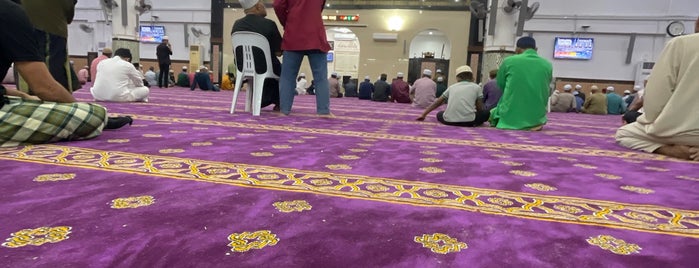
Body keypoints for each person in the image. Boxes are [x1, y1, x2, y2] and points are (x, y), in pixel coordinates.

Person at [0, 0, 129, 147]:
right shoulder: (9, 12)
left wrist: (23, 95)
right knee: (93, 115)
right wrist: (78, 108)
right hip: (51, 36)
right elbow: (45, 87)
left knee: (32, 99)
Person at [616, 32, 699, 161]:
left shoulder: (680, 43)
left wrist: (654, 123)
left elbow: (655, 101)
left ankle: (675, 151)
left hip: (682, 133)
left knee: (624, 133)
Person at [274, 0, 331, 116]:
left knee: (287, 77)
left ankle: (284, 110)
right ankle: (323, 111)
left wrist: (288, 21)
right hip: (315, 34)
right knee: (321, 77)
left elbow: (278, 5)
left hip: (293, 33)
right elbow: (320, 6)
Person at [489, 36, 552, 131]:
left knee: (493, 113)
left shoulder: (509, 61)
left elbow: (501, 84)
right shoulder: (547, 64)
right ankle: (534, 124)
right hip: (536, 118)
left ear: (517, 49)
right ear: (536, 49)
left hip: (510, 117)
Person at [20, 0, 80, 93]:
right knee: (52, 72)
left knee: (24, 65)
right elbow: (68, 13)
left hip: (22, 29)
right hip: (51, 29)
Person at [233, 0, 282, 110]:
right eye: (263, 5)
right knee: (283, 70)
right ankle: (278, 102)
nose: (265, 7)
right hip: (265, 68)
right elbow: (279, 52)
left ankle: (259, 99)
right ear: (258, 7)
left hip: (242, 67)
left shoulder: (236, 24)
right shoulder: (269, 24)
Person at [416, 65, 489, 127]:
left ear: (457, 77)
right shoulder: (477, 87)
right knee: (486, 113)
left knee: (439, 114)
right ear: (471, 76)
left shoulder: (452, 87)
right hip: (469, 122)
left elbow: (438, 102)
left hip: (449, 121)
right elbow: (480, 107)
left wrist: (424, 114)